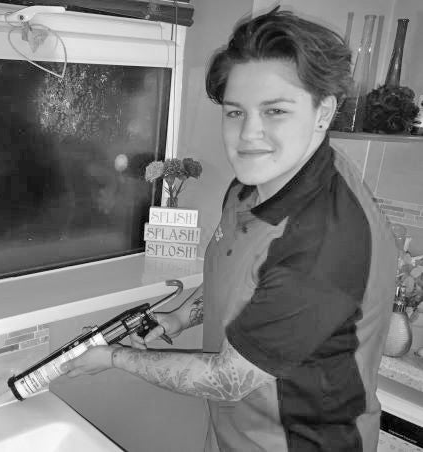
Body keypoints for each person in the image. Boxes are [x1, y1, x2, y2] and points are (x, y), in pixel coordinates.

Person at [60, 8, 397, 452]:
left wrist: (115, 358)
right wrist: (181, 316)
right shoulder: (252, 187)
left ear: (323, 112)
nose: (248, 134)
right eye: (236, 112)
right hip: (233, 435)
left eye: (275, 111)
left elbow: (228, 379)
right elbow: (238, 274)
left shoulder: (322, 240)